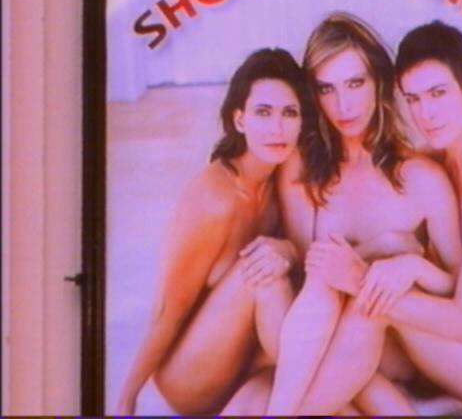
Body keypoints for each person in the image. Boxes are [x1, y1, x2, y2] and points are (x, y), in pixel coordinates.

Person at [297, 20, 462, 415]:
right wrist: (400, 255)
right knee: (363, 308)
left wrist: (362, 277)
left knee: (372, 303)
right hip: (453, 353)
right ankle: (414, 405)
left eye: (438, 93)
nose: (426, 113)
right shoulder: (434, 159)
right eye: (413, 99)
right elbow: (445, 280)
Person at [252, 12, 462, 416]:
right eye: (327, 89)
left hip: (394, 345)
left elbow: (459, 288)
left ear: (379, 81)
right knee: (318, 274)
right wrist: (379, 247)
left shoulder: (422, 177)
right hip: (322, 341)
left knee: (362, 298)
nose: (343, 105)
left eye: (355, 83)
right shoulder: (302, 168)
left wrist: (411, 266)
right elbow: (308, 275)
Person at [116, 48, 314, 415]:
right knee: (262, 273)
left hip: (243, 360)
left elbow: (305, 254)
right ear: (239, 120)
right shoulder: (214, 198)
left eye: (289, 113)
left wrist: (287, 249)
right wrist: (127, 397)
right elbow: (168, 309)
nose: (277, 128)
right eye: (263, 112)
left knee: (278, 271)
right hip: (190, 376)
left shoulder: (281, 182)